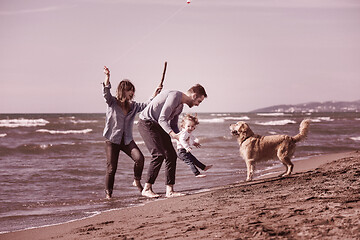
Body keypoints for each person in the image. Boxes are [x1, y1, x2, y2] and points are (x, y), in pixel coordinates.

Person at [137, 84, 208, 198]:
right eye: (198, 101)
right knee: (158, 154)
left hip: (159, 126)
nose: (197, 105)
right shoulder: (175, 96)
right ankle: (147, 189)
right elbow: (162, 119)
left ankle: (169, 191)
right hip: (147, 123)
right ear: (194, 95)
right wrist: (173, 135)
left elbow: (173, 125)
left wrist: (180, 136)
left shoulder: (180, 106)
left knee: (171, 155)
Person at [102, 66, 161, 199]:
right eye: (130, 90)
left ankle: (136, 180)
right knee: (111, 168)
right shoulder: (112, 102)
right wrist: (107, 77)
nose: (132, 93)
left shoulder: (133, 106)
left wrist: (154, 94)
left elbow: (146, 105)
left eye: (133, 90)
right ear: (123, 91)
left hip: (127, 140)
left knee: (139, 158)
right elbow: (105, 93)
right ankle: (108, 195)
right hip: (112, 140)